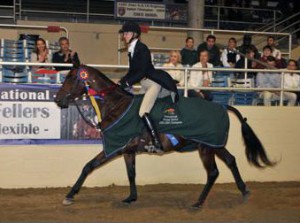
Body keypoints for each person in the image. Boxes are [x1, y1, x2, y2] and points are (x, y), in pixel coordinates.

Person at [118, 22, 179, 153]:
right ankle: (141, 139)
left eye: (127, 33)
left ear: (135, 34)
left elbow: (143, 70)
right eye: (124, 33)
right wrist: (121, 82)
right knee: (135, 108)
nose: (124, 35)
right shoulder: (132, 49)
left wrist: (128, 83)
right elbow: (132, 71)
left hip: (153, 83)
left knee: (142, 112)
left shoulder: (142, 48)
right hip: (144, 84)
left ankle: (157, 141)